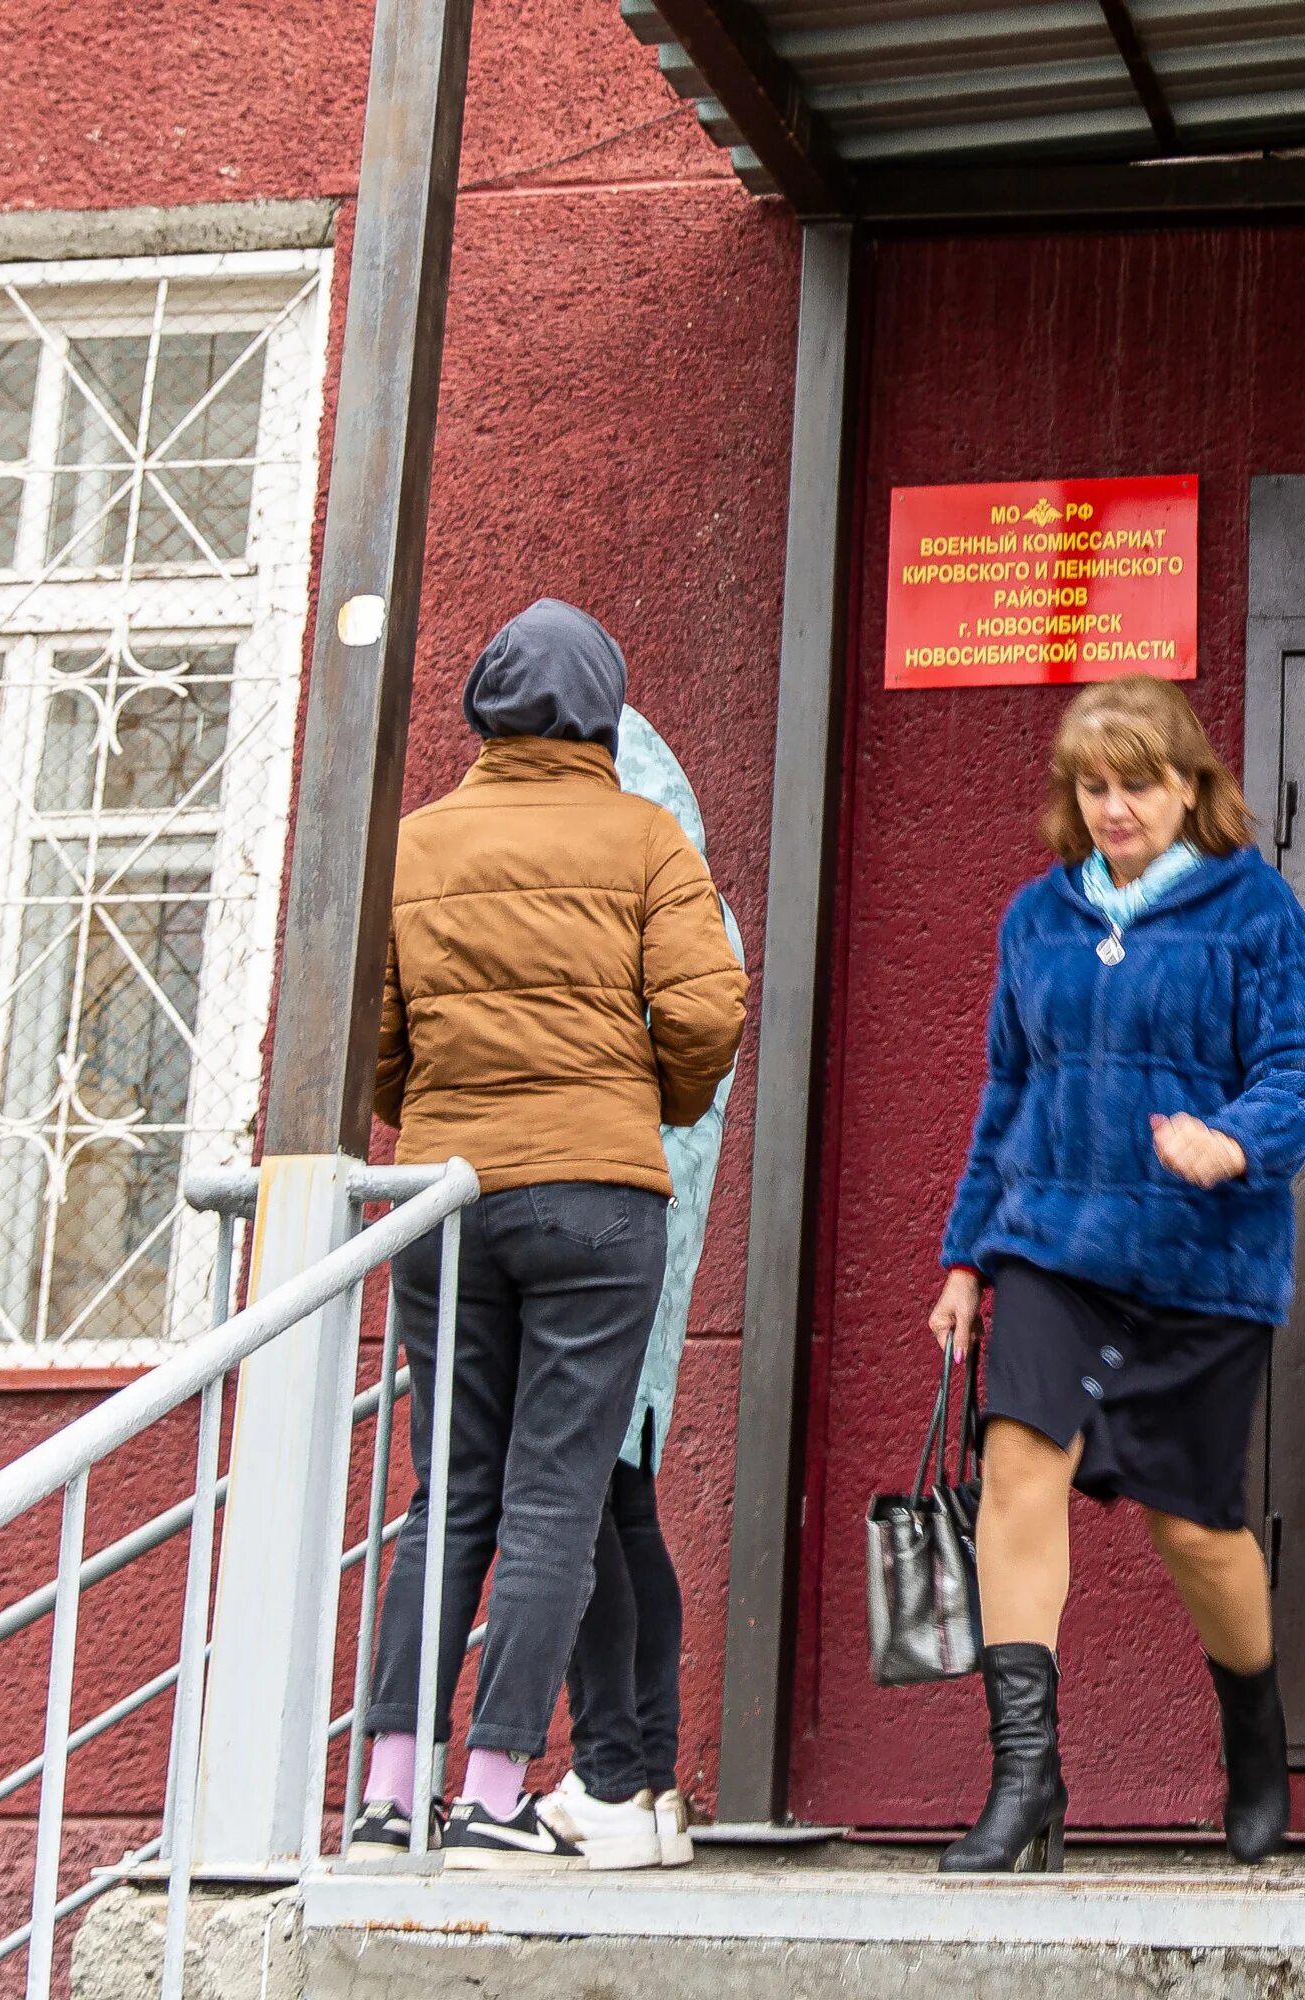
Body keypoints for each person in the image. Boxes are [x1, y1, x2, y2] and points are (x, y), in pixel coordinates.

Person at [925, 674, 1305, 1875]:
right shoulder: (1037, 918)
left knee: (1195, 1529)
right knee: (1018, 1474)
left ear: (1191, 786)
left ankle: (1256, 1739)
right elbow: (1008, 1089)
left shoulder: (1252, 909)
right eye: (1093, 786)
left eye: (1139, 784)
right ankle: (1024, 1781)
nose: (1114, 807)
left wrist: (1235, 1137)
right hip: (1055, 1246)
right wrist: (965, 1253)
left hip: (1203, 1265)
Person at [352, 601, 746, 1869]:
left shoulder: (412, 843)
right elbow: (707, 1012)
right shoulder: (645, 834)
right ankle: (494, 1787)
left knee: (447, 1491)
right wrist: (647, 1107)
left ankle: (389, 1784)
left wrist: (425, 1111)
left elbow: (374, 1031)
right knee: (556, 1501)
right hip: (596, 1200)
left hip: (444, 1199)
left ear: (485, 706)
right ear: (603, 711)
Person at [537, 707, 741, 1872]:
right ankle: (649, 1779)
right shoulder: (690, 901)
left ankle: (610, 1766)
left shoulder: (641, 912)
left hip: (598, 1222)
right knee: (619, 1497)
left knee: (571, 1495)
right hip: (649, 1234)